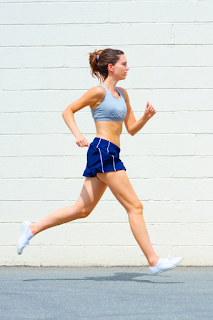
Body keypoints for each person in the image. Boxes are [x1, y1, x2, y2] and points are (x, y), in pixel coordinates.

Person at [17, 48, 182, 275]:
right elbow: (68, 111)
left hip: (110, 152)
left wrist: (145, 117)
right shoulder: (98, 92)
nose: (128, 67)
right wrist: (78, 135)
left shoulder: (123, 94)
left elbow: (131, 129)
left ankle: (32, 228)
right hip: (103, 151)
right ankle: (154, 261)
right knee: (135, 206)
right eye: (124, 64)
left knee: (81, 209)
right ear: (111, 67)